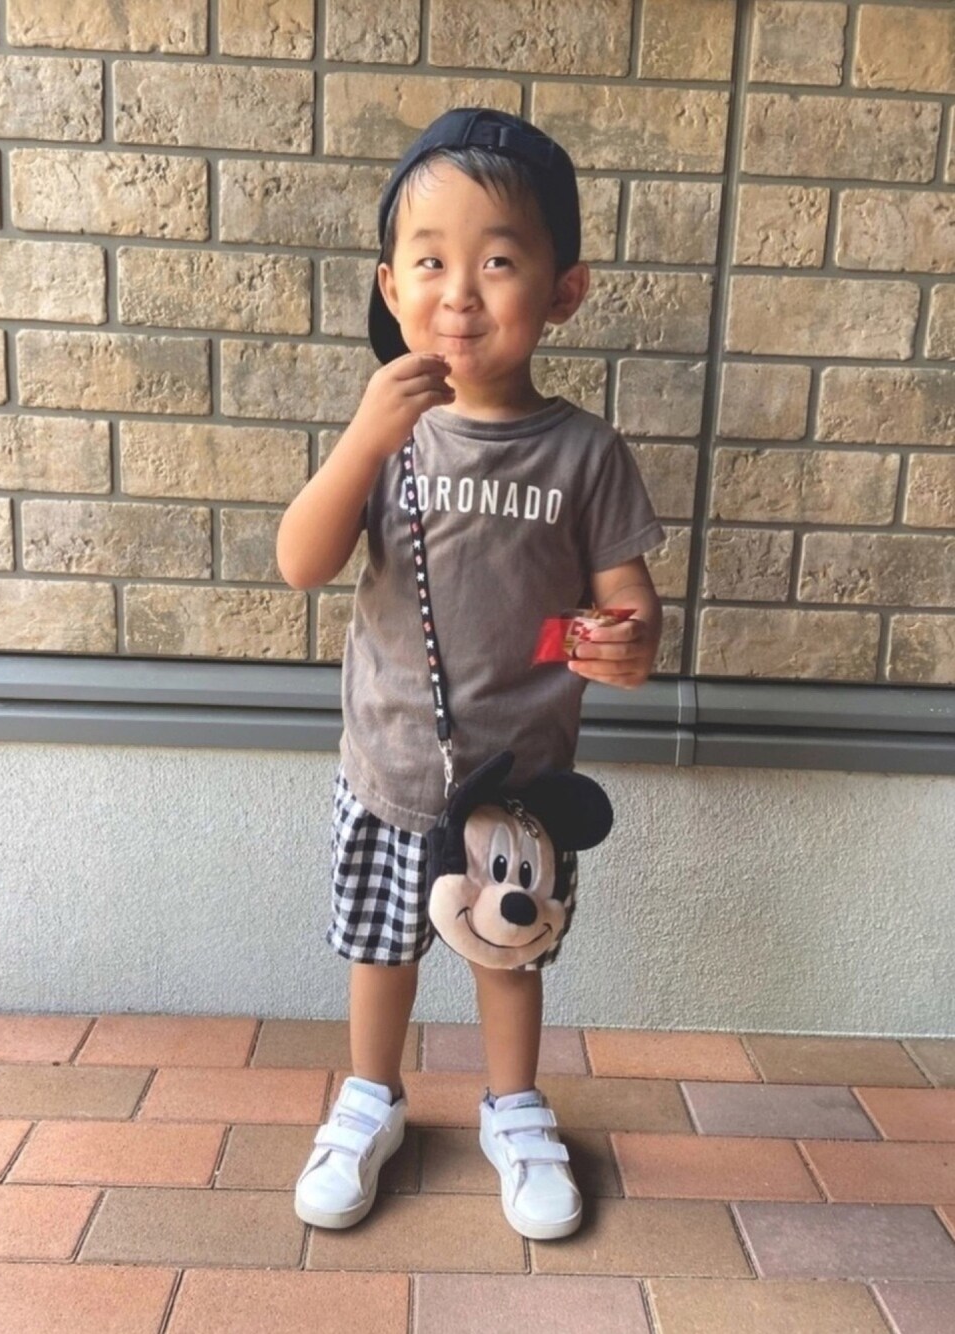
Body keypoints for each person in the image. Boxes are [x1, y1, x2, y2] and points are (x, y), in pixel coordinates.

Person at [276, 107, 665, 1240]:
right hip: (389, 762)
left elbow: (630, 603)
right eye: (430, 261)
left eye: (497, 261)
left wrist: (633, 640)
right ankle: (371, 1097)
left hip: (521, 784)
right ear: (390, 286)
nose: (459, 292)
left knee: (507, 951)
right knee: (380, 949)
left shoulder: (585, 453)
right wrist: (362, 437)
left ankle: (513, 1106)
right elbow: (301, 561)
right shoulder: (387, 435)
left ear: (563, 290)